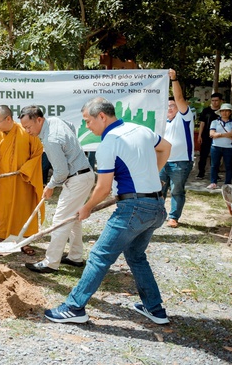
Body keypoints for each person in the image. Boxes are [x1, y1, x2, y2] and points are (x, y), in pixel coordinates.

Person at [44, 97, 171, 325]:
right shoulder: (139, 129)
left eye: (88, 121)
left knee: (99, 257)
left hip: (132, 210)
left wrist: (86, 207)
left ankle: (74, 307)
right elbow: (166, 147)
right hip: (156, 207)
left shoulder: (109, 143)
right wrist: (150, 176)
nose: (87, 126)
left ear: (101, 116)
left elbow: (102, 188)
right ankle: (155, 308)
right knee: (135, 256)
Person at [19, 106, 94, 274]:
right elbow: (71, 127)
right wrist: (72, 150)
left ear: (39, 120)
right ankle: (75, 257)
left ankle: (50, 262)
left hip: (77, 178)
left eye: (29, 127)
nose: (27, 131)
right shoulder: (55, 121)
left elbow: (61, 172)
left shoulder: (51, 139)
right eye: (24, 128)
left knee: (60, 220)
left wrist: (50, 186)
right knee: (73, 219)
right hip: (84, 174)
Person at [0, 105, 44, 254]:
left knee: (23, 212)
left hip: (23, 181)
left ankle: (24, 242)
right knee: (3, 212)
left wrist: (26, 170)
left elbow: (38, 152)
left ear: (9, 119)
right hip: (2, 184)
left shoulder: (26, 133)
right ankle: (2, 238)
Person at [159, 69, 194, 229]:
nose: (170, 108)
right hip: (162, 161)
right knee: (158, 190)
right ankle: (158, 216)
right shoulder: (161, 122)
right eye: (167, 106)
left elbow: (179, 97)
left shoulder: (184, 117)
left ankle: (173, 217)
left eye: (172, 105)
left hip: (180, 162)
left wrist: (174, 79)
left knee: (176, 191)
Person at [207, 103, 232, 189]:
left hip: (229, 147)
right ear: (220, 112)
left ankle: (227, 183)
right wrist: (227, 134)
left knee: (228, 165)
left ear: (230, 112)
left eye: (227, 111)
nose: (224, 113)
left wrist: (218, 134)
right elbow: (212, 134)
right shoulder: (214, 122)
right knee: (214, 165)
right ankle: (213, 182)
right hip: (215, 146)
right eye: (222, 111)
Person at [196, 93, 223, 180]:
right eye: (213, 100)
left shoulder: (223, 112)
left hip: (218, 137)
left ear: (220, 101)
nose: (214, 102)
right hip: (206, 136)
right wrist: (199, 135)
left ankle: (215, 174)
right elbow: (202, 123)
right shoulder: (206, 111)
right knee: (203, 155)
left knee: (216, 156)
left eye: (216, 100)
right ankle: (201, 173)